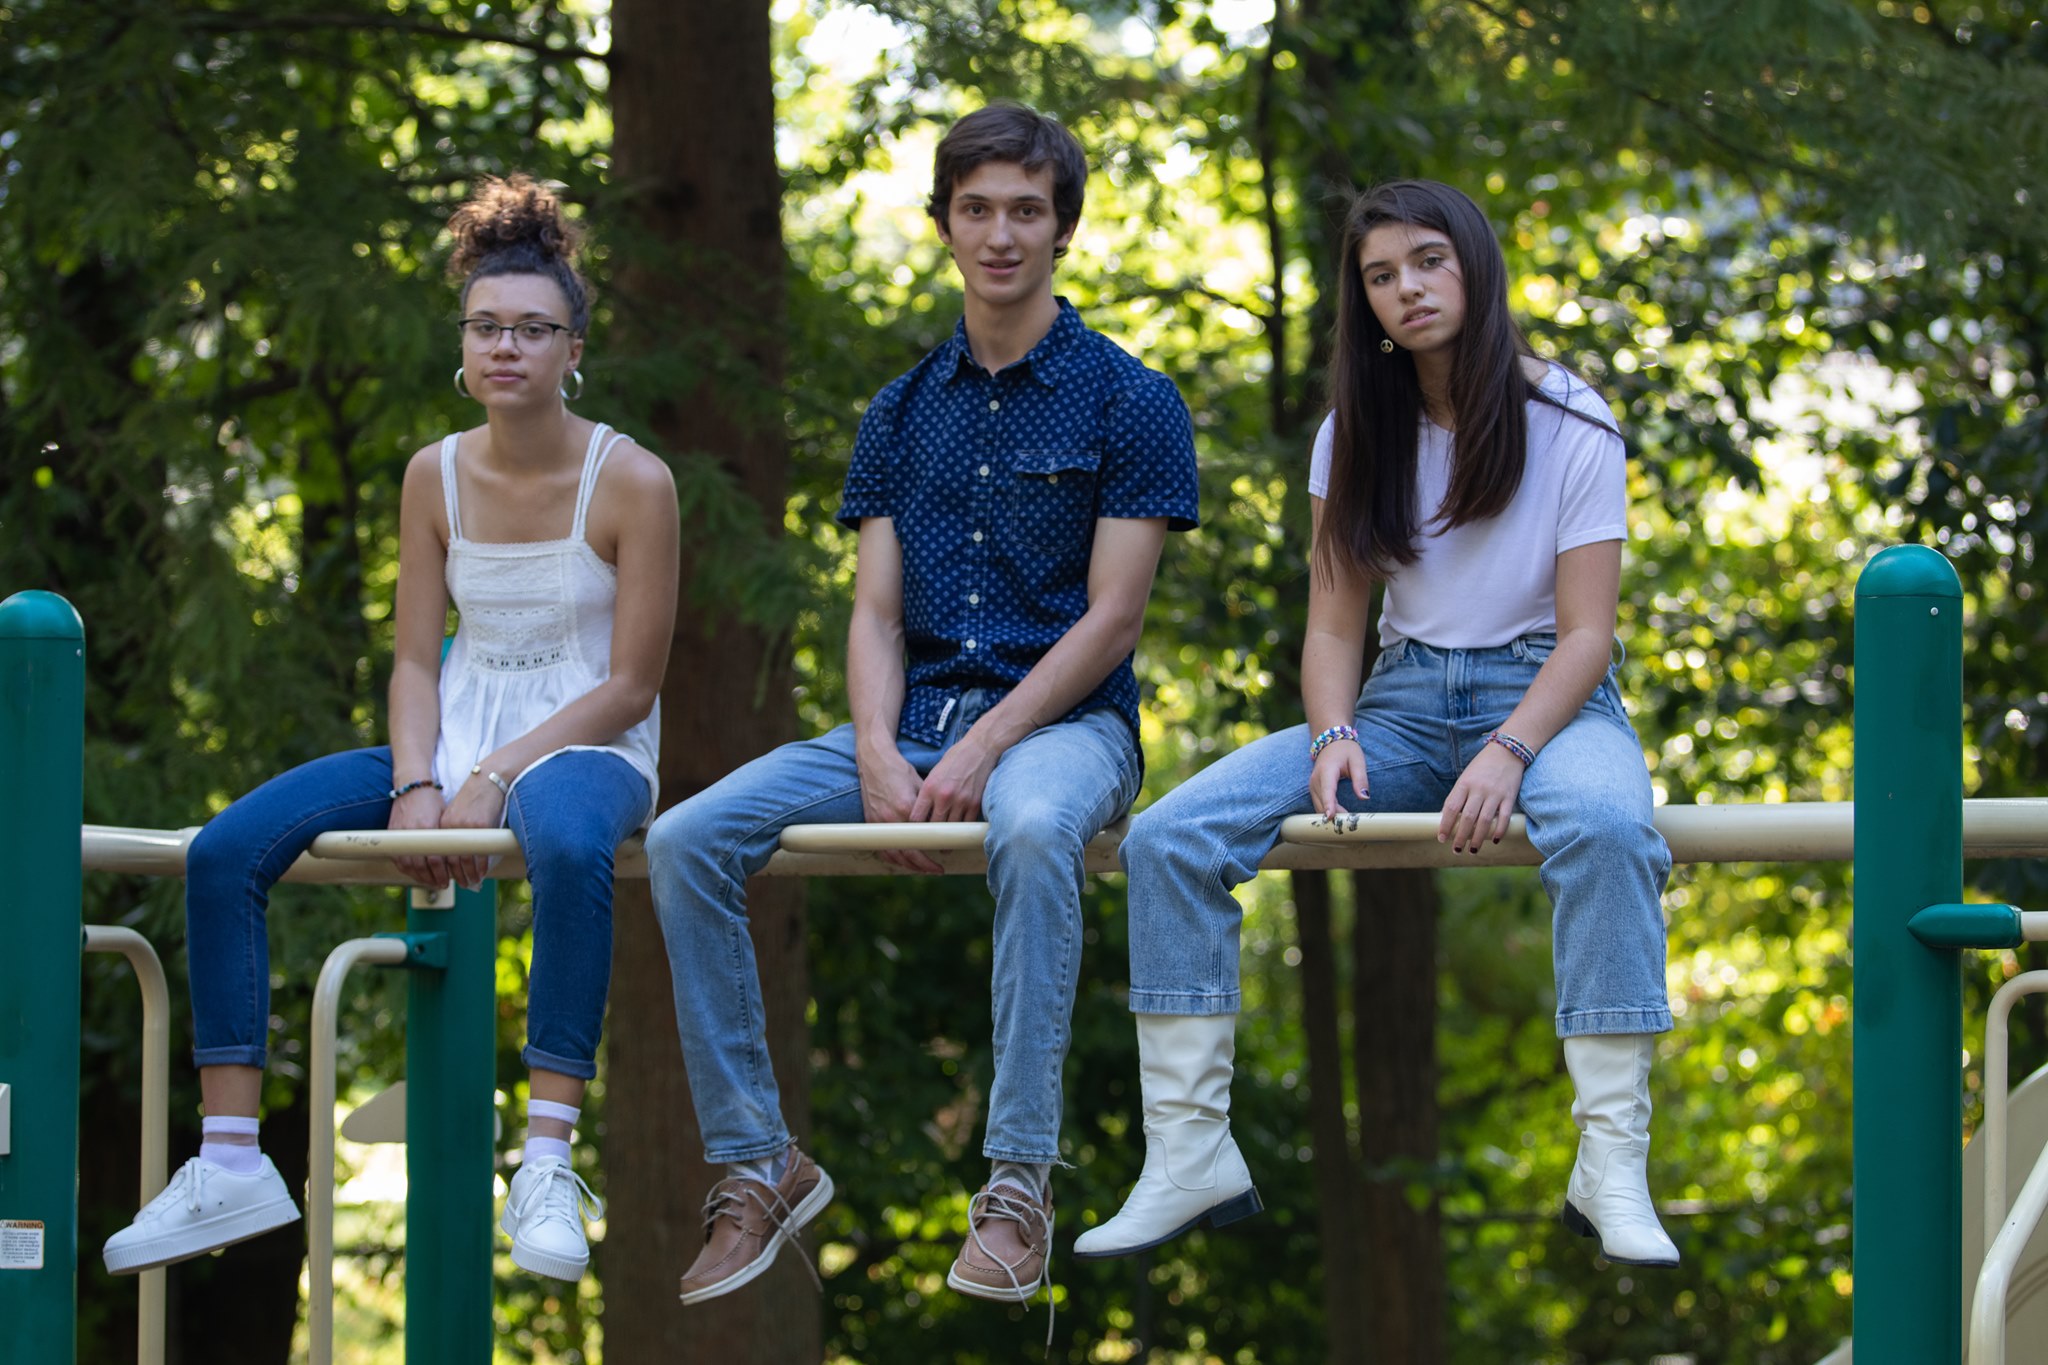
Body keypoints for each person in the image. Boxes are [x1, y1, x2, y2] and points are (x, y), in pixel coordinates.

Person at [645, 104, 1198, 1312]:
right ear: (943, 223)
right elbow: (875, 615)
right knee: (685, 838)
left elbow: (1112, 619)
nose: (1000, 234)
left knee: (1035, 828)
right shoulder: (897, 413)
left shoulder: (1130, 399)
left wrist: (985, 748)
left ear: (1062, 228)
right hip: (909, 726)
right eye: (976, 208)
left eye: (1025, 211)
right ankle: (761, 1162)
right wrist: (879, 754)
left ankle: (1016, 1186)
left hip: (1065, 733)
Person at [1075, 179, 1680, 1270]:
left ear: (1474, 266)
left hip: (1547, 699)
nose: (1408, 289)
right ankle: (1188, 1155)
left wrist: (1508, 750)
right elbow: (1330, 625)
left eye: (1428, 261)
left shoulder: (1569, 417)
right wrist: (1331, 733)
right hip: (1397, 709)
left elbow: (1589, 635)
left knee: (1608, 827)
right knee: (1168, 837)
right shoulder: (1353, 432)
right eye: (1381, 276)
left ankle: (1611, 1164)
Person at [102, 175, 680, 1284]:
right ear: (462, 344)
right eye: (485, 326)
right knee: (224, 850)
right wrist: (419, 781)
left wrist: (494, 776)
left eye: (532, 329)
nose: (505, 346)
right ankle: (230, 1157)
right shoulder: (434, 474)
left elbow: (631, 685)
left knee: (568, 844)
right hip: (450, 743)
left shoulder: (635, 481)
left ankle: (547, 1161)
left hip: (587, 748)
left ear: (573, 350)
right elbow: (416, 659)